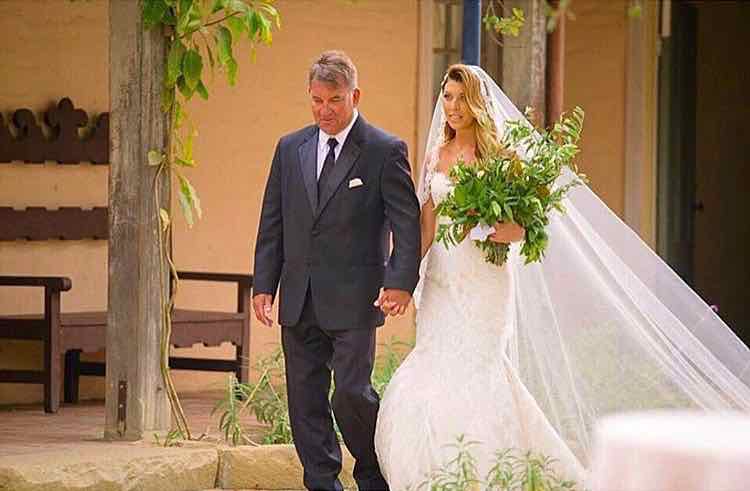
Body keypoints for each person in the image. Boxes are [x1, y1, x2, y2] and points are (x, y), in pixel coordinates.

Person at [374, 64, 750, 490]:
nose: (454, 107)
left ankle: (489, 469)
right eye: (448, 97)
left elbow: (531, 225)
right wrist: (399, 278)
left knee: (480, 366)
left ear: (478, 103)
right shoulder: (434, 156)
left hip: (485, 280)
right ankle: (434, 470)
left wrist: (500, 229)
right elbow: (426, 226)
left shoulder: (502, 157)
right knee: (434, 362)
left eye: (462, 98)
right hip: (444, 279)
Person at [252, 50, 420, 491]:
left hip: (355, 299)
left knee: (350, 394)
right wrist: (264, 285)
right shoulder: (290, 148)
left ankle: (374, 472)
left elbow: (406, 220)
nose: (325, 110)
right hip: (300, 296)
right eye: (317, 100)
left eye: (334, 100)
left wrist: (400, 282)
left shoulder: (384, 150)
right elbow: (273, 219)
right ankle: (322, 483)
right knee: (304, 401)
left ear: (355, 96)